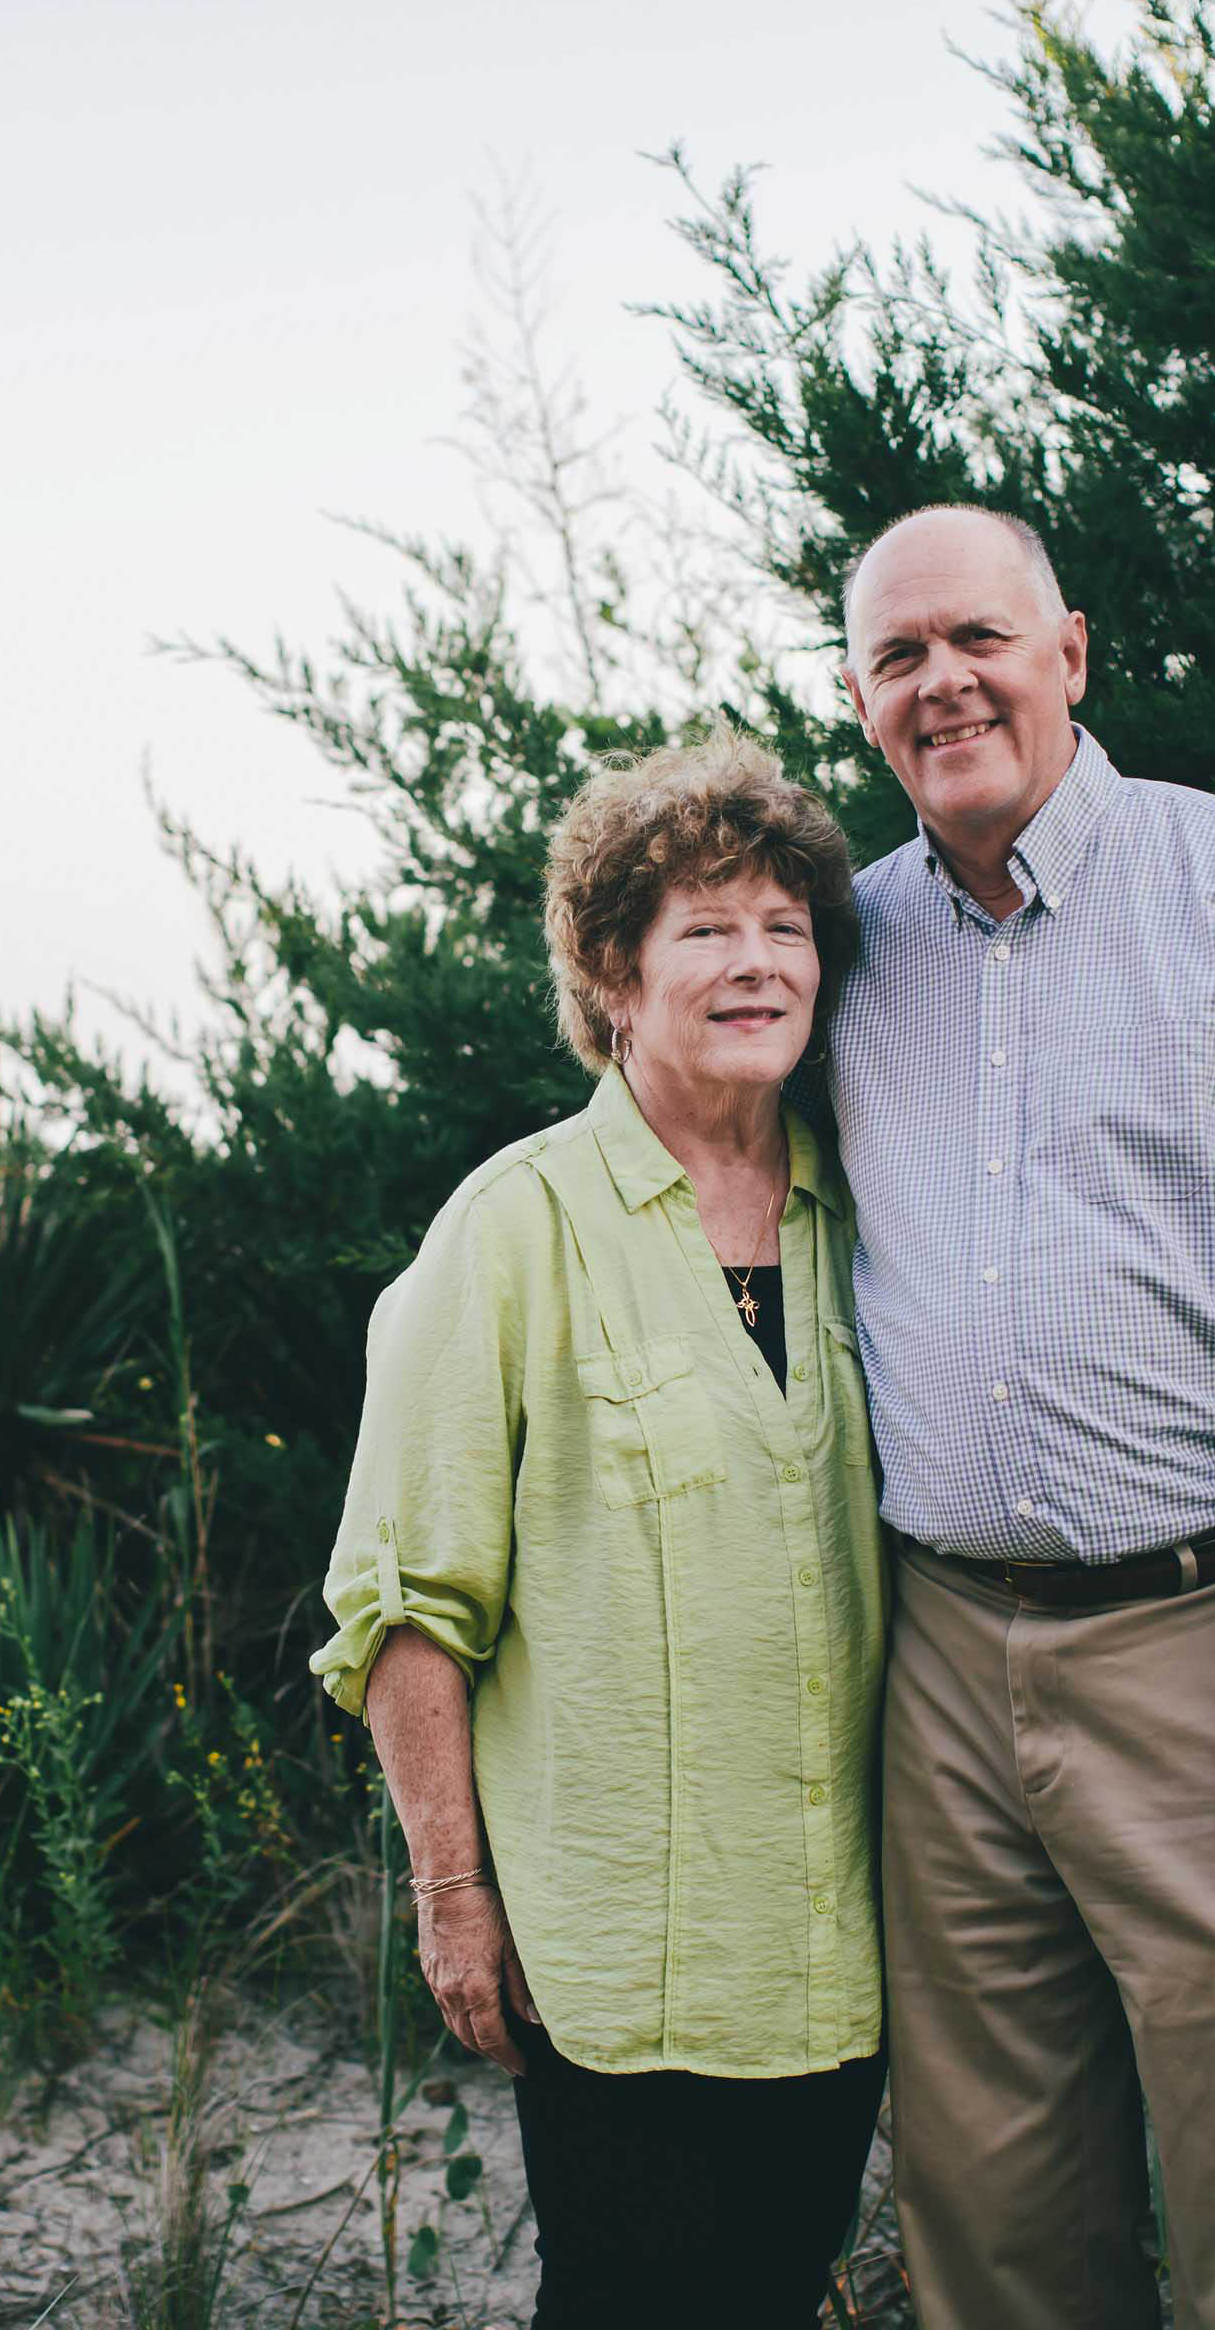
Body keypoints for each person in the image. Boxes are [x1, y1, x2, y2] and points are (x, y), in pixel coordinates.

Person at [833, 505, 1215, 2330]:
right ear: (862, 704)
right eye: (895, 657)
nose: (942, 681)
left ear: (1071, 655)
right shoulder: (846, 949)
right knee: (992, 2213)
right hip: (943, 1657)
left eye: (978, 639)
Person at [309, 736, 887, 2330]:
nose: (757, 960)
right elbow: (408, 1602)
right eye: (705, 928)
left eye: (785, 925)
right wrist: (453, 1895)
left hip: (831, 1946)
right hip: (616, 1951)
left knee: (774, 2294)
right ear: (613, 978)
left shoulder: (864, 1213)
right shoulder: (514, 1226)